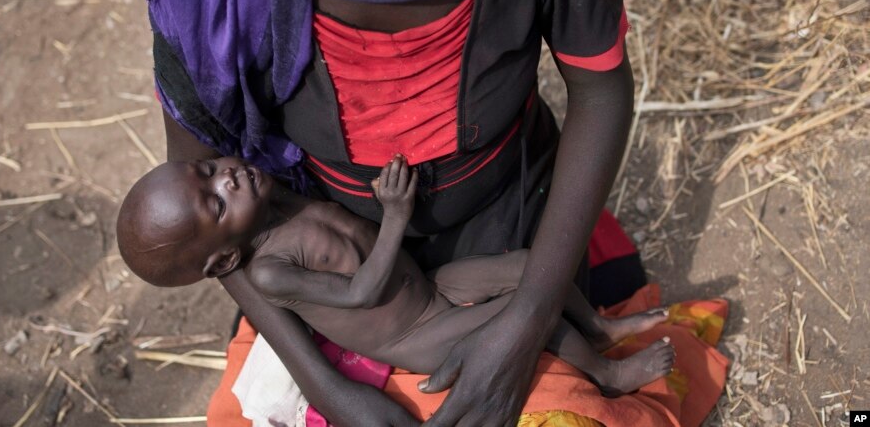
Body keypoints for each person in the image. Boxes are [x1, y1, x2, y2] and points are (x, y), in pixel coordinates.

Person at [143, 0, 638, 424]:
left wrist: (530, 316)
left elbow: (600, 93)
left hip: (514, 226)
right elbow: (207, 224)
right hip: (336, 279)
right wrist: (332, 390)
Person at [117, 155, 675, 397]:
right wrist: (397, 214)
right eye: (216, 204)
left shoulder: (271, 201)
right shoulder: (268, 273)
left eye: (209, 171)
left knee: (532, 267)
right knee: (527, 314)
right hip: (414, 335)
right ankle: (606, 374)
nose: (228, 178)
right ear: (223, 263)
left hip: (430, 287)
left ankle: (599, 329)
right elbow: (363, 290)